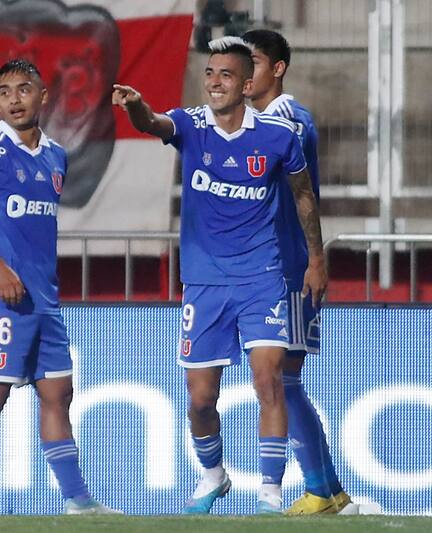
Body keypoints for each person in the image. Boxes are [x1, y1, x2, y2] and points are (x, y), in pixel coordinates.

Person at [112, 36, 327, 515]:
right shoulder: (191, 124)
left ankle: (270, 494)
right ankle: (213, 476)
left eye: (225, 75)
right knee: (201, 398)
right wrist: (137, 107)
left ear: (247, 84)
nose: (213, 82)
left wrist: (316, 258)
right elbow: (153, 123)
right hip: (205, 282)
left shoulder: (277, 136)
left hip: (263, 276)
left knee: (270, 381)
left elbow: (303, 196)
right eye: (209, 73)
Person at [0, 59, 121, 515]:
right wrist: (0, 270)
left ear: (44, 96)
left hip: (44, 298)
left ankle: (79, 502)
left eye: (24, 89)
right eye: (4, 91)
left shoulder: (55, 155)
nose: (14, 99)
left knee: (58, 393)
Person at [241, 29, 355, 515]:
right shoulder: (256, 121)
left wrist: (313, 258)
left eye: (255, 63)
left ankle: (319, 487)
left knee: (284, 377)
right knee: (285, 378)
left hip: (288, 264)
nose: (245, 75)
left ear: (279, 68)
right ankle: (329, 489)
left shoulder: (286, 116)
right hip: (272, 264)